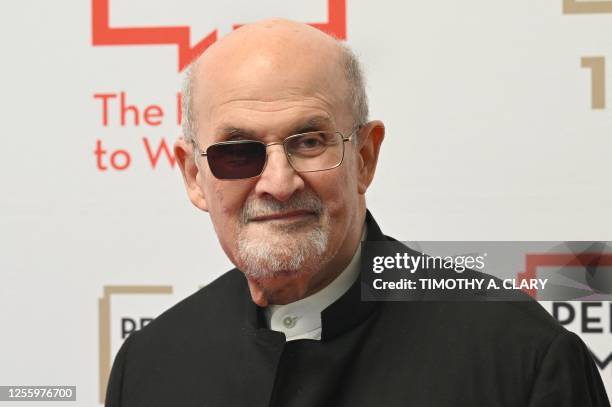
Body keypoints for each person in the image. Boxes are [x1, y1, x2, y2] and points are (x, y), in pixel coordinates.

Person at [105, 19, 610, 407]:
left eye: (309, 142)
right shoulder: (150, 367)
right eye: (238, 152)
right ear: (195, 176)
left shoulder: (521, 359)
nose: (279, 183)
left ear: (365, 157)